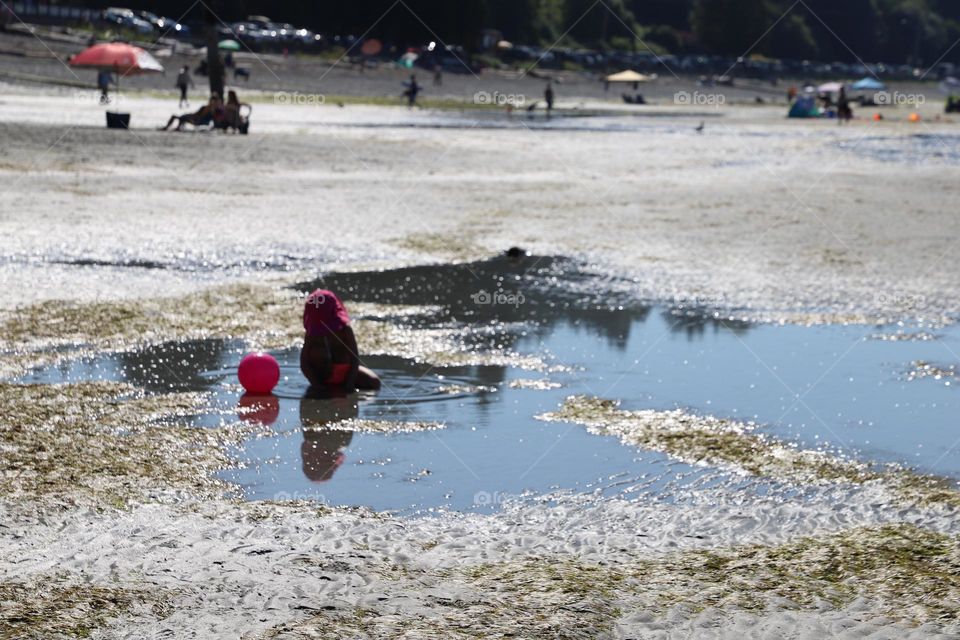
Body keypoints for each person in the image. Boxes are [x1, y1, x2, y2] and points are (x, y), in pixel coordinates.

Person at [300, 289, 381, 391]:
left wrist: (349, 384)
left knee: (374, 382)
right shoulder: (312, 334)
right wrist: (316, 386)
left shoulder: (345, 330)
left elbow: (354, 359)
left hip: (345, 374)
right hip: (322, 378)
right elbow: (304, 363)